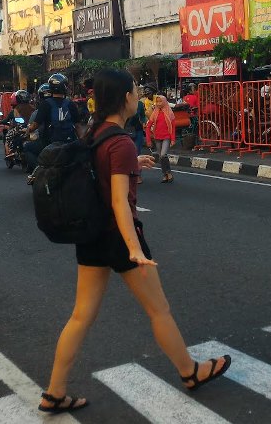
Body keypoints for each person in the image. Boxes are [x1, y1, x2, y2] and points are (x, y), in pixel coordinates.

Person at [38, 69, 230, 414]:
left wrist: (133, 165)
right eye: (135, 89)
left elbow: (102, 172)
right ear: (126, 97)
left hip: (91, 235)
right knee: (160, 310)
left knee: (80, 317)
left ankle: (54, 392)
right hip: (118, 238)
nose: (138, 93)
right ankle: (190, 372)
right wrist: (134, 249)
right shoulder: (121, 140)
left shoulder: (95, 133)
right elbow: (118, 203)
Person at [25, 76, 79, 172]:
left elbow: (35, 125)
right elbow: (78, 126)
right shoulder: (71, 104)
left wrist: (28, 129)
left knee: (27, 148)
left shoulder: (45, 104)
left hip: (48, 143)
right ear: (65, 88)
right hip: (69, 142)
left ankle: (38, 172)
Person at [145, 95, 176, 183]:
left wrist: (173, 139)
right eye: (157, 101)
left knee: (163, 155)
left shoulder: (170, 112)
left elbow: (173, 127)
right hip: (157, 137)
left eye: (160, 101)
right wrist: (148, 140)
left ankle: (168, 173)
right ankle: (165, 174)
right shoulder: (155, 113)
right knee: (161, 157)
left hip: (166, 136)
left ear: (165, 102)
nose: (158, 103)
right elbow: (148, 127)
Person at [1, 90, 35, 158]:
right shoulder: (33, 108)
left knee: (8, 136)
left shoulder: (15, 109)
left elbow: (7, 119)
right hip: (32, 128)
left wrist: (1, 121)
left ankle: (9, 151)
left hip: (20, 128)